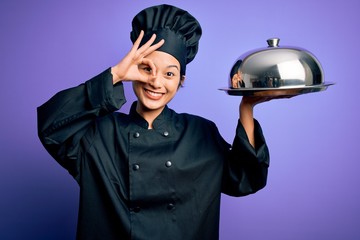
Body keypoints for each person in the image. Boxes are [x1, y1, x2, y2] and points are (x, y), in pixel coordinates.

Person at [37, 4, 270, 240]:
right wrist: (116, 73)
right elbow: (51, 127)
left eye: (169, 74)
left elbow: (246, 178)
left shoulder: (201, 132)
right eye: (146, 68)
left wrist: (246, 107)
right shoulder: (100, 133)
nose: (156, 82)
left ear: (181, 80)